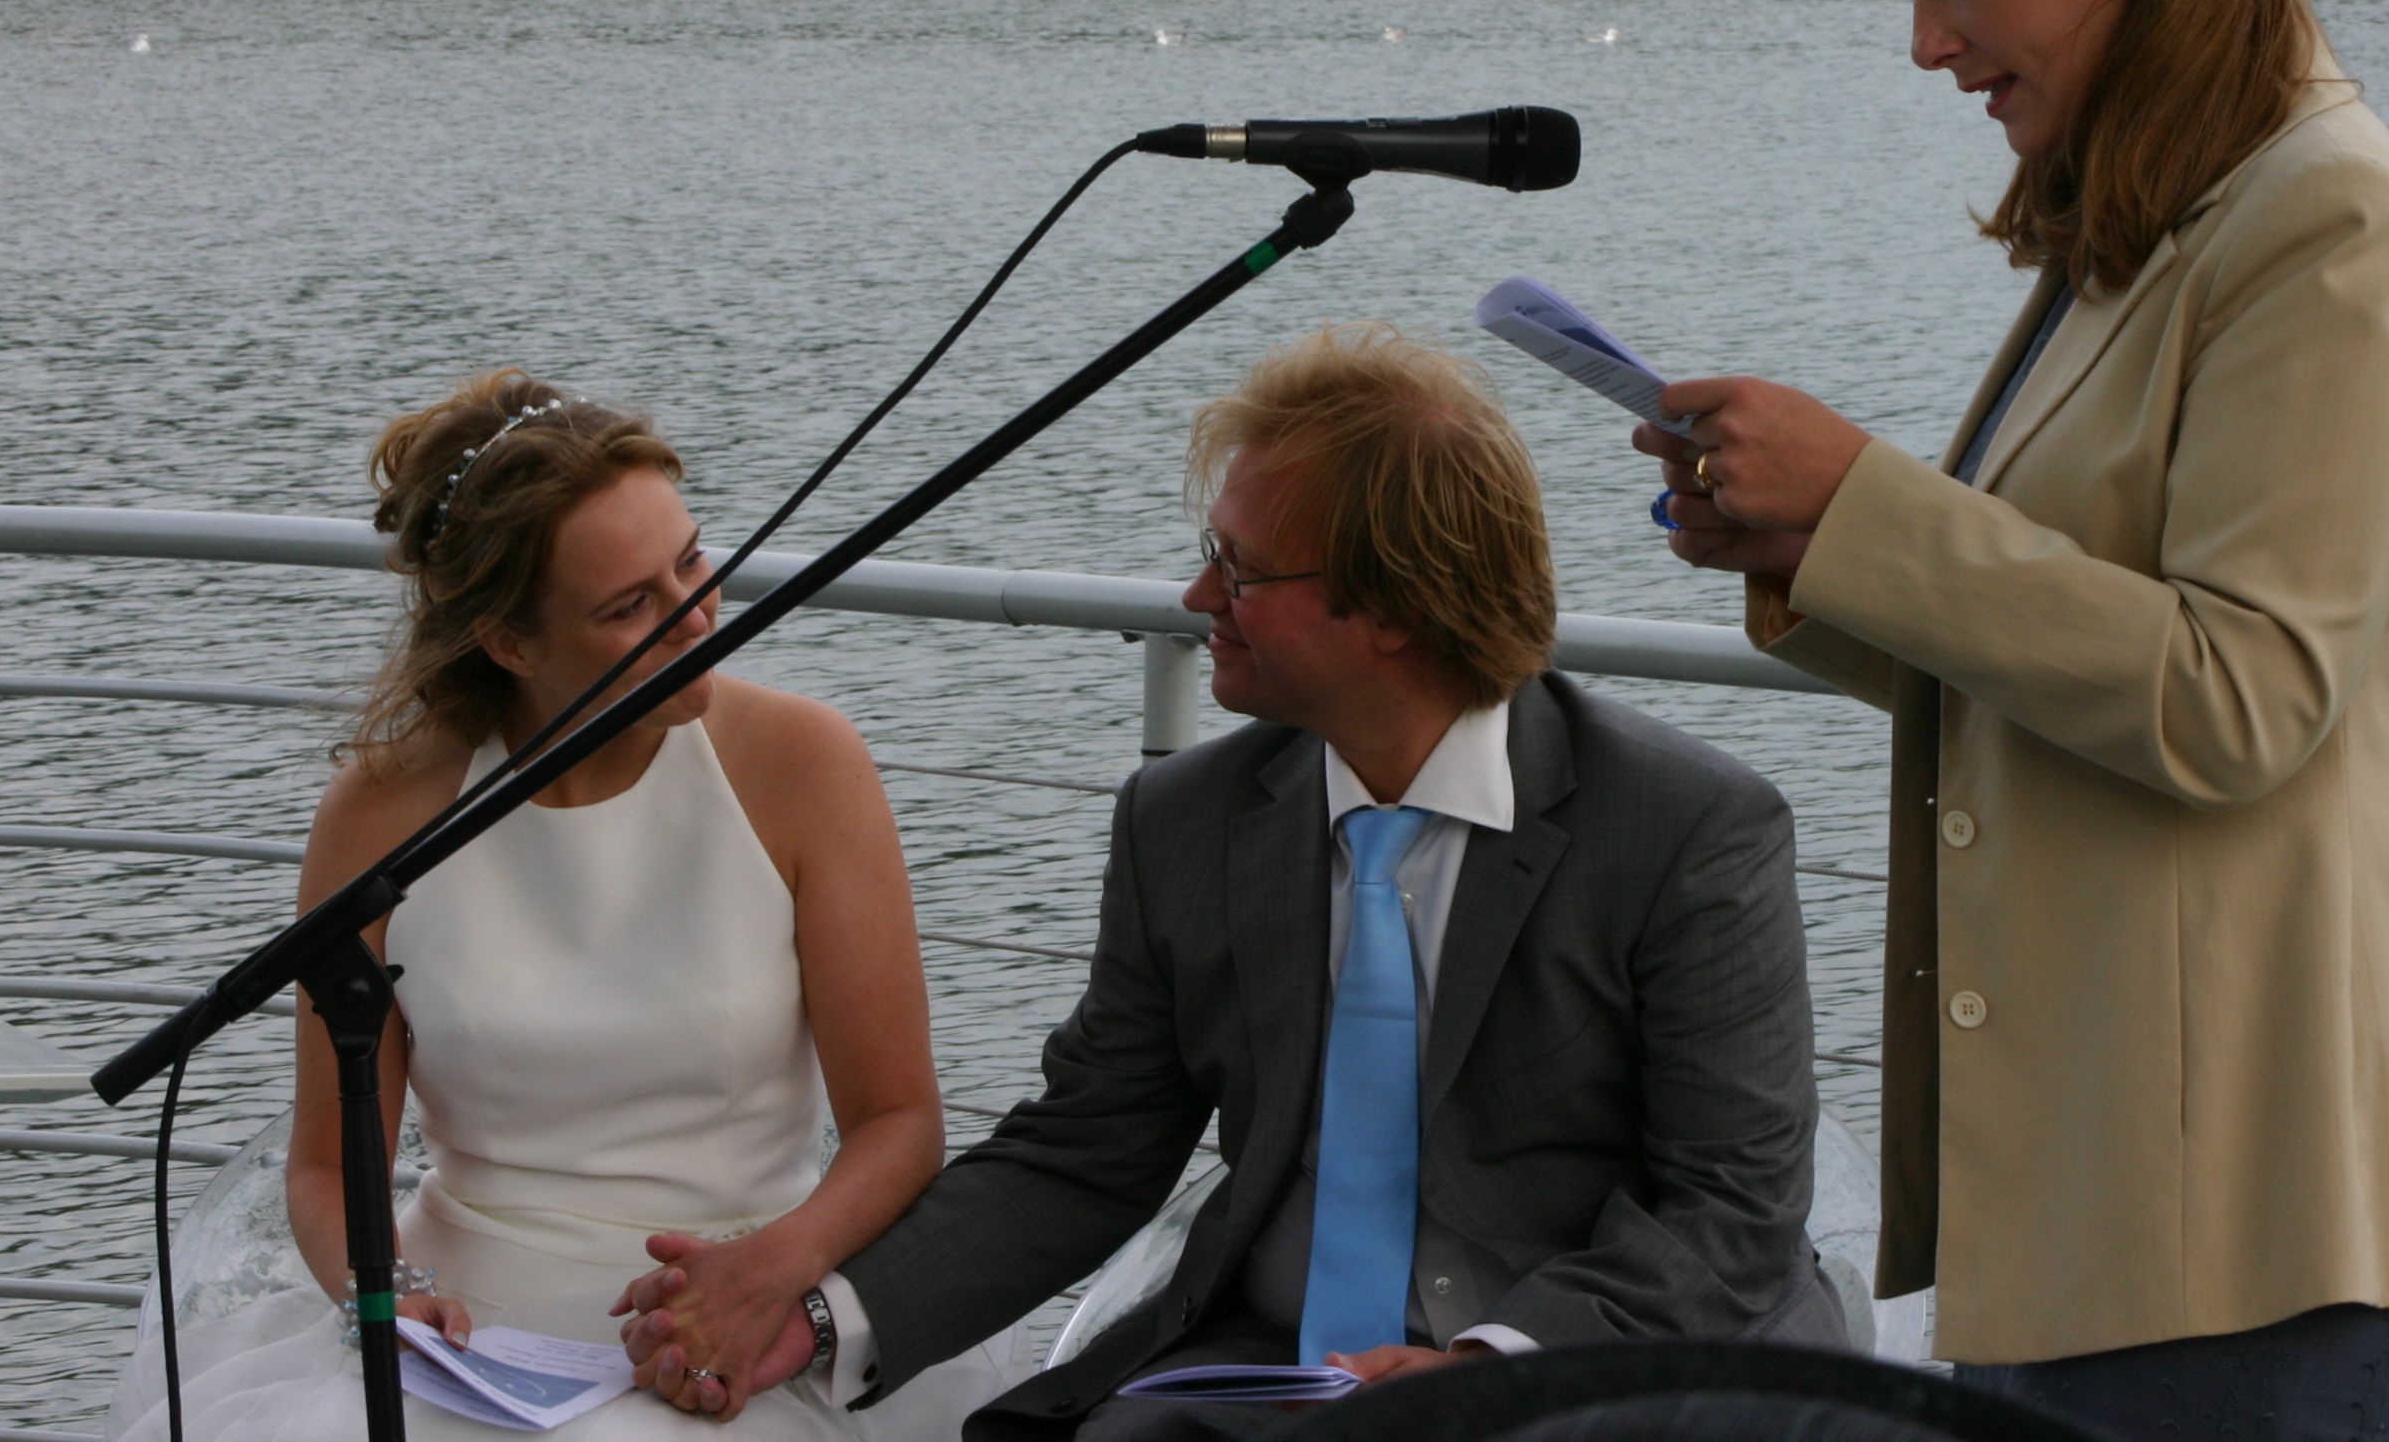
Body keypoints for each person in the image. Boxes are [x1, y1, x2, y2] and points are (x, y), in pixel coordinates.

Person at [1628, 0, 2389, 1440]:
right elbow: (2059, 651)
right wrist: (1808, 546)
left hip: (2251, 1212)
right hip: (2103, 1191)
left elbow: (2237, 698)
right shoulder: (2156, 222)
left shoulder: (2336, 222)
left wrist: (1870, 506)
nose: (1927, 42)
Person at [622, 324, 1842, 1438]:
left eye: (1243, 571)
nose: (1200, 598)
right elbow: (1085, 1152)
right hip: (1271, 1369)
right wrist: (819, 1319)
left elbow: (1728, 1208)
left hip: (1601, 1371)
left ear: (1396, 606)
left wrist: (1486, 1364)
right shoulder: (1185, 820)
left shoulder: (1685, 826)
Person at [110, 371, 1014, 1442]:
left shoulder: (804, 762)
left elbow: (901, 1124)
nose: (695, 616)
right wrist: (382, 1295)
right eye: (630, 606)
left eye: (692, 561)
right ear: (511, 641)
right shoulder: (383, 809)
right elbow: (324, 1164)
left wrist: (771, 1273)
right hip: (463, 1333)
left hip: (729, 1316)